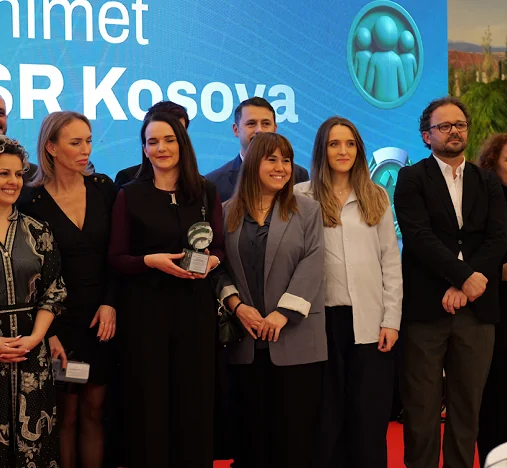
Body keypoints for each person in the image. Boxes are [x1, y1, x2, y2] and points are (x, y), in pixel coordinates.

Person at [393, 96, 507, 468]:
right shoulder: (411, 178)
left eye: (460, 125)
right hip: (426, 309)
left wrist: (467, 286)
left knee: (466, 408)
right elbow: (418, 237)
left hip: (477, 310)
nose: (454, 131)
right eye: (444, 126)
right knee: (421, 409)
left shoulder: (487, 181)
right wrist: (463, 278)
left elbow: (497, 239)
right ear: (427, 136)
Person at [108, 111, 224, 467]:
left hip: (195, 310)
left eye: (169, 140)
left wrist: (211, 262)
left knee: (194, 398)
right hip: (146, 314)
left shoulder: (205, 191)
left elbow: (219, 248)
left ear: (182, 143)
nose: (161, 148)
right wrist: (150, 261)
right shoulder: (129, 194)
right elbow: (116, 258)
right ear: (144, 149)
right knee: (150, 402)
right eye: (152, 141)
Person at [214, 132, 326, 468]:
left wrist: (283, 313)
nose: (281, 167)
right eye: (272, 159)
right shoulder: (225, 212)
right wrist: (237, 306)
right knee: (250, 440)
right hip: (244, 343)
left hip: (296, 341)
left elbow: (313, 262)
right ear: (252, 164)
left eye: (286, 160)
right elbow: (217, 268)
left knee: (294, 441)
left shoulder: (308, 210)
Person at [295, 116, 402, 467]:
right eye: (334, 144)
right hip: (319, 323)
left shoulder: (376, 195)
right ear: (321, 150)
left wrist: (391, 321)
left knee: (368, 420)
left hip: (369, 324)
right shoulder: (301, 196)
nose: (343, 151)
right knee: (326, 422)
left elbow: (390, 262)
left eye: (350, 144)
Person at [18, 111, 117, 468]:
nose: (86, 149)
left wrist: (110, 304)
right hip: (58, 323)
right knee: (65, 417)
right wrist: (50, 332)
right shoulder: (30, 201)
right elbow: (30, 274)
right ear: (51, 147)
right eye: (76, 142)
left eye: (88, 141)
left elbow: (117, 254)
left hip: (101, 321)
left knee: (94, 412)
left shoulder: (104, 188)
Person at [0, 135, 67, 468]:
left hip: (32, 356)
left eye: (17, 174)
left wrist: (36, 338)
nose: (13, 181)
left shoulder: (38, 230)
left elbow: (54, 291)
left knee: (35, 450)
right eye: (3, 173)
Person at [476, 131, 507, 462]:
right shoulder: (480, 206)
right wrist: (500, 273)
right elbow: (465, 261)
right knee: (494, 411)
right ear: (493, 163)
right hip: (492, 325)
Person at [205, 97, 309, 201]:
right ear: (236, 130)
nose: (259, 130)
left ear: (275, 129)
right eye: (251, 123)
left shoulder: (298, 175)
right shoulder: (214, 183)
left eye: (266, 124)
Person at [113, 101, 190, 189]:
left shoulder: (199, 184)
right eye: (153, 142)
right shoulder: (128, 180)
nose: (162, 148)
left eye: (179, 132)